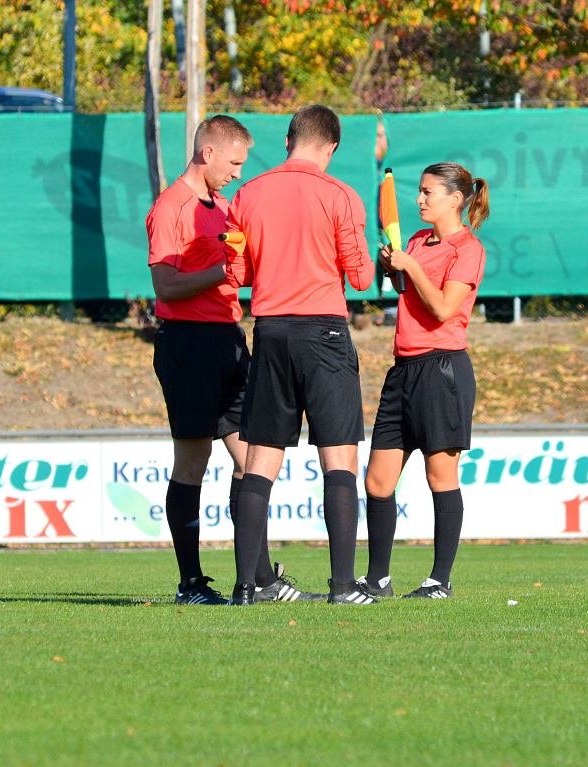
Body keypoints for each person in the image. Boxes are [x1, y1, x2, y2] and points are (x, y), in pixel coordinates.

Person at [146, 115, 310, 605]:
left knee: (251, 460)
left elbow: (234, 270)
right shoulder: (170, 206)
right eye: (234, 162)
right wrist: (221, 269)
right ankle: (190, 583)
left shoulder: (222, 207)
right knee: (193, 460)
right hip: (187, 343)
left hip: (230, 339)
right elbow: (165, 285)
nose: (238, 172)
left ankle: (259, 577)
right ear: (208, 153)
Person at [224, 104, 378, 606]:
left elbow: (238, 273)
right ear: (330, 146)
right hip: (324, 334)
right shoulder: (340, 194)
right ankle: (341, 587)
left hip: (269, 333)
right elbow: (360, 277)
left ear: (288, 139)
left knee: (260, 463)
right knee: (338, 459)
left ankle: (246, 587)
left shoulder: (247, 193)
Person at [357, 161, 489, 599]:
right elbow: (404, 290)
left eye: (428, 192)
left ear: (455, 199)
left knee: (440, 475)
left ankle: (440, 580)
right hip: (404, 371)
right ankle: (378, 580)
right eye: (418, 191)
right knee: (377, 480)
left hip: (443, 370)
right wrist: (393, 267)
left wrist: (409, 267)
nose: (419, 199)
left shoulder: (467, 249)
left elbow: (443, 309)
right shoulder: (415, 240)